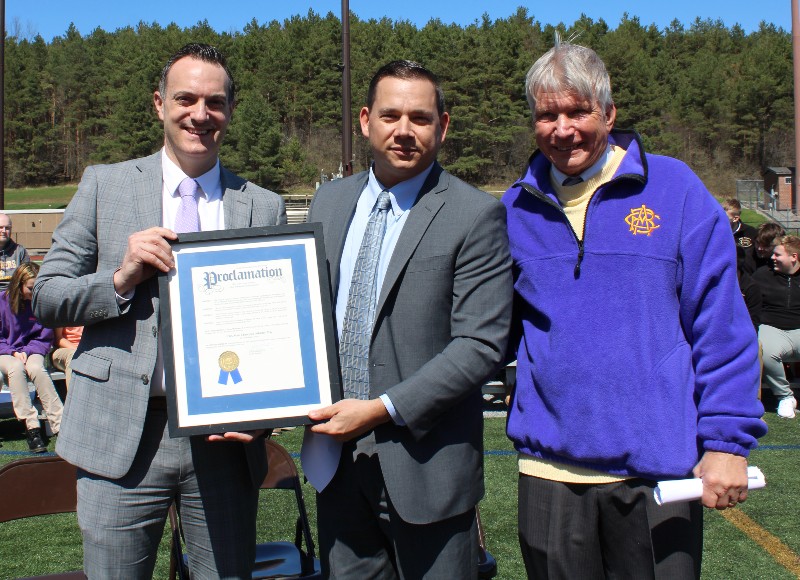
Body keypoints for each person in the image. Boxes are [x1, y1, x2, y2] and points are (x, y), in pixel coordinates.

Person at [503, 39, 766, 578]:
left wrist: (726, 442)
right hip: (549, 473)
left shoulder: (676, 190)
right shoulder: (513, 209)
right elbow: (486, 335)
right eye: (547, 114)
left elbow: (721, 324)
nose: (563, 128)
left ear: (609, 112)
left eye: (578, 111)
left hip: (657, 471)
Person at [32, 43, 287, 578]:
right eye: (186, 98)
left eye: (214, 102)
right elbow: (47, 295)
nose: (200, 114)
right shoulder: (105, 184)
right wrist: (120, 278)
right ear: (158, 103)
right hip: (118, 431)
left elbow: (279, 325)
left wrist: (271, 411)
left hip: (223, 442)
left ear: (230, 111)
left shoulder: (261, 204)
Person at [301, 60, 512, 578]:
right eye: (390, 115)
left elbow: (480, 346)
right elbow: (301, 315)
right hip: (337, 461)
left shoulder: (474, 214)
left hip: (428, 470)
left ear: (442, 126)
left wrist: (379, 410)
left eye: (419, 117)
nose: (403, 131)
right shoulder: (328, 202)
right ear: (366, 120)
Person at [0, 262, 62, 453]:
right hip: (6, 352)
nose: (33, 292)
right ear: (18, 284)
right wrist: (13, 352)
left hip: (32, 350)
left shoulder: (40, 303)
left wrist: (27, 351)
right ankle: (32, 427)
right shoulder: (2, 302)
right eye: (30, 288)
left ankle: (60, 423)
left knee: (36, 369)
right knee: (15, 369)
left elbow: (44, 336)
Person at [753, 235, 800, 418]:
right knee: (765, 348)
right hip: (772, 328)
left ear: (793, 257)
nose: (773, 258)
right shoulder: (762, 276)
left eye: (778, 254)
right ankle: (785, 396)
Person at [0, 213, 30, 291]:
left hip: (13, 295)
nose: (3, 231)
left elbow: (27, 277)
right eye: (0, 227)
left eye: (7, 228)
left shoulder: (19, 251)